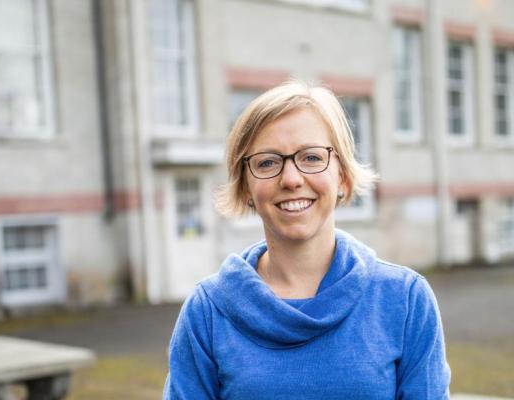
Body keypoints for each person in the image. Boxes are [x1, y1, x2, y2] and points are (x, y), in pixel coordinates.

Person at [163, 81, 451, 399]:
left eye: (312, 157)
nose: (291, 179)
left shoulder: (405, 301)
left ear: (341, 175)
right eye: (267, 162)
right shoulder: (207, 312)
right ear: (246, 187)